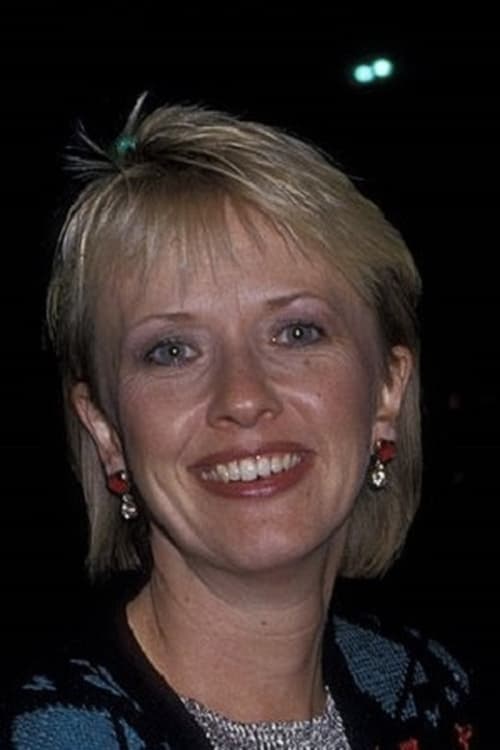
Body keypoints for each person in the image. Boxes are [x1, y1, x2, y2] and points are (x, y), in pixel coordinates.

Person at [0, 96, 475, 749]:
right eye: (172, 351)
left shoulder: (432, 691)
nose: (244, 397)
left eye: (297, 332)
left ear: (388, 391)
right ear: (105, 429)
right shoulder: (50, 732)